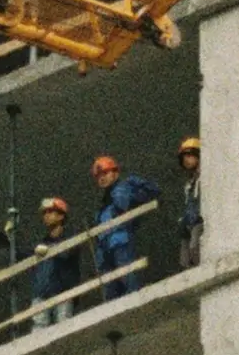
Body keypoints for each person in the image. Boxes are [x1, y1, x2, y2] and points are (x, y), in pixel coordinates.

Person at [90, 154, 157, 303]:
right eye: (99, 175)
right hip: (105, 248)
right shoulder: (103, 204)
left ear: (115, 172)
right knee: (110, 287)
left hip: (120, 241)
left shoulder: (123, 189)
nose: (102, 178)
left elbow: (150, 193)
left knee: (128, 277)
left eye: (105, 173)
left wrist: (134, 184)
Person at [27, 196, 79, 326]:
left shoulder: (71, 236)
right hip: (41, 293)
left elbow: (67, 253)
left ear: (61, 216)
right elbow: (24, 255)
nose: (46, 215)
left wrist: (49, 249)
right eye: (44, 213)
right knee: (38, 332)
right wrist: (9, 242)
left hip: (63, 291)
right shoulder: (42, 242)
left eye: (50, 212)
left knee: (64, 328)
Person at [172, 137, 205, 268]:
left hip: (199, 221)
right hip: (190, 221)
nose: (186, 159)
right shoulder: (189, 184)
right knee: (184, 256)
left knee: (194, 247)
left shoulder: (203, 177)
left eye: (190, 155)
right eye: (184, 157)